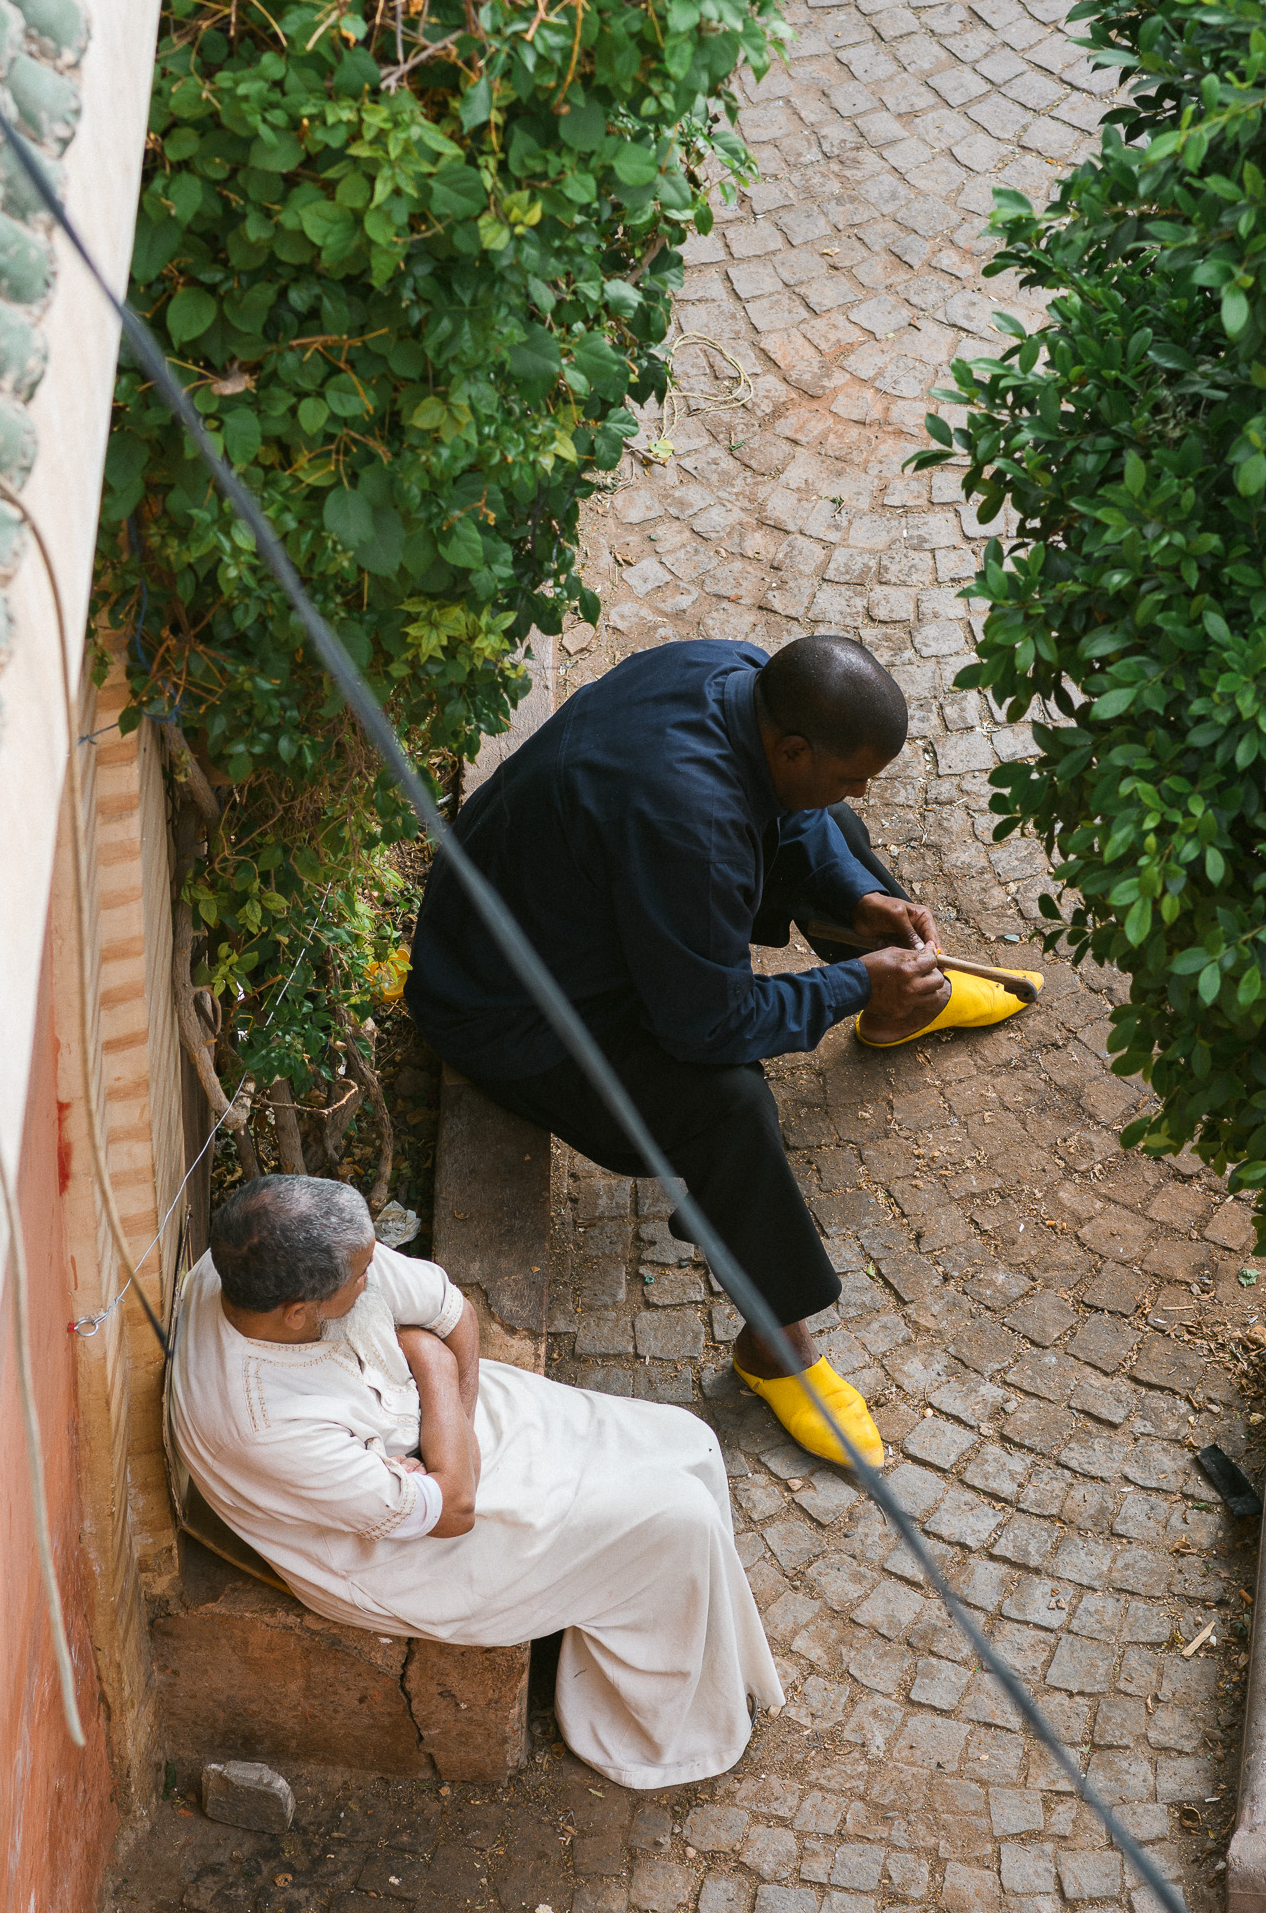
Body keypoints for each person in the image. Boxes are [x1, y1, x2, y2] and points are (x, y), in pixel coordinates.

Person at [406, 635, 1036, 1465]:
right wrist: (849, 983)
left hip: (563, 905)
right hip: (508, 1002)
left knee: (831, 827)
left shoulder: (732, 674)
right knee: (728, 1104)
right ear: (791, 745)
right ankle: (775, 1348)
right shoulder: (687, 824)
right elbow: (706, 1026)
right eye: (850, 771)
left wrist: (858, 896)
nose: (861, 788)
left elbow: (791, 814)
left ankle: (905, 1000)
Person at [170, 1174, 784, 1791]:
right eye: (360, 1276)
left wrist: (454, 1430)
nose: (373, 1272)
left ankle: (691, 1634)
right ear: (300, 1313)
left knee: (687, 1440)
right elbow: (453, 1514)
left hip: (436, 1431)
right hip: (390, 1555)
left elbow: (453, 1312)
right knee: (679, 1520)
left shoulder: (266, 1253)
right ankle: (661, 1737)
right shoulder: (262, 1423)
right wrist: (432, 1363)